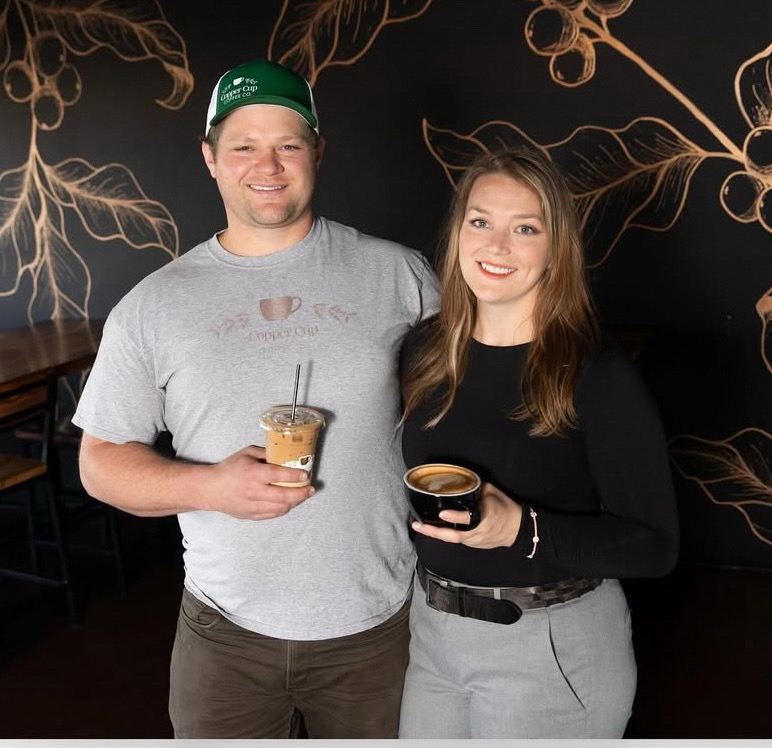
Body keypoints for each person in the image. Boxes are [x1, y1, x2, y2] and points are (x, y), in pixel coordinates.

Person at [73, 58, 439, 738]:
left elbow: (465, 415)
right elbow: (99, 464)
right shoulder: (153, 307)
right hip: (224, 635)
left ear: (317, 153)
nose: (267, 165)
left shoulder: (400, 276)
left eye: (287, 144)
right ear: (210, 158)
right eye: (243, 146)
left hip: (381, 626)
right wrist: (210, 487)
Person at [398, 148, 679, 738]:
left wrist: (522, 529)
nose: (496, 246)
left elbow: (655, 548)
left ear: (556, 250)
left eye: (525, 229)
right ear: (457, 233)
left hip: (548, 646)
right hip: (433, 635)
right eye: (480, 221)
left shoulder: (595, 372)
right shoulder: (425, 350)